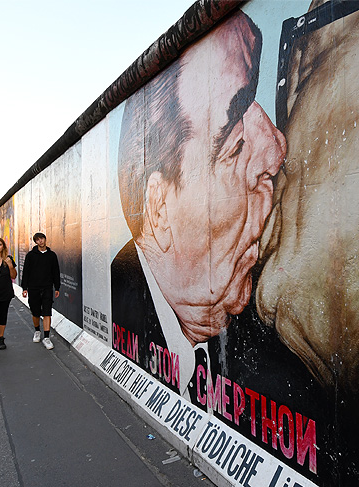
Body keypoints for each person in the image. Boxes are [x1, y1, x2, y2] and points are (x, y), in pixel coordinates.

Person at [111, 10, 286, 403]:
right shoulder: (117, 303)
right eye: (235, 145)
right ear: (158, 209)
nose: (276, 148)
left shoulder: (273, 349)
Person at [21, 232, 60, 350]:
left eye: (42, 239)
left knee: (47, 312)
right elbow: (26, 272)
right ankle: (37, 331)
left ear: (45, 239)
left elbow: (56, 272)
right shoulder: (30, 255)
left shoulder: (52, 255)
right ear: (35, 242)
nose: (40, 241)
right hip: (33, 288)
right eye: (38, 240)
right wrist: (24, 288)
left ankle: (47, 337)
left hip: (47, 287)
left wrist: (57, 287)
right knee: (35, 312)